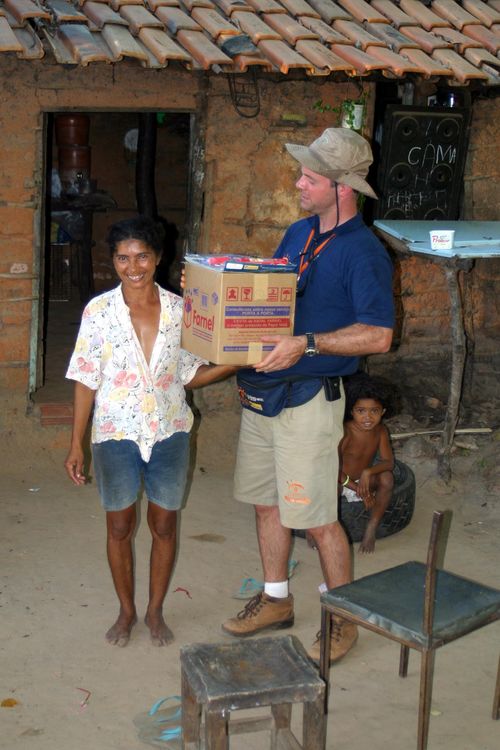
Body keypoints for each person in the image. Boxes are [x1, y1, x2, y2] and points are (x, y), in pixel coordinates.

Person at [221, 128, 394, 663]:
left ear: (342, 188)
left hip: (311, 398)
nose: (298, 183)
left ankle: (342, 618)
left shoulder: (363, 253)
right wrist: (226, 284)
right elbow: (275, 296)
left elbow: (380, 335)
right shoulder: (299, 233)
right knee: (266, 502)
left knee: (318, 517)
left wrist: (308, 343)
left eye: (310, 178)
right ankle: (276, 599)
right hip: (266, 391)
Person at [64, 216, 234, 648]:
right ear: (114, 261)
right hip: (115, 434)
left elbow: (189, 376)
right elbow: (85, 379)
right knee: (119, 526)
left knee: (164, 525)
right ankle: (126, 611)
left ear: (158, 258)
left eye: (142, 256)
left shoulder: (180, 312)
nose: (132, 266)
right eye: (123, 257)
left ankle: (155, 610)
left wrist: (241, 360)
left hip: (170, 431)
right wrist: (76, 444)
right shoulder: (98, 312)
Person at [339, 374, 394, 553]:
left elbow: (388, 462)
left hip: (363, 481)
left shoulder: (381, 431)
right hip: (342, 481)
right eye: (361, 411)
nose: (368, 417)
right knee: (329, 485)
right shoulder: (346, 432)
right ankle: (317, 529)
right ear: (351, 411)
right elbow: (332, 469)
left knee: (387, 478)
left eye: (374, 411)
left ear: (383, 411)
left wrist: (368, 472)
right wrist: (357, 489)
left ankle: (371, 528)